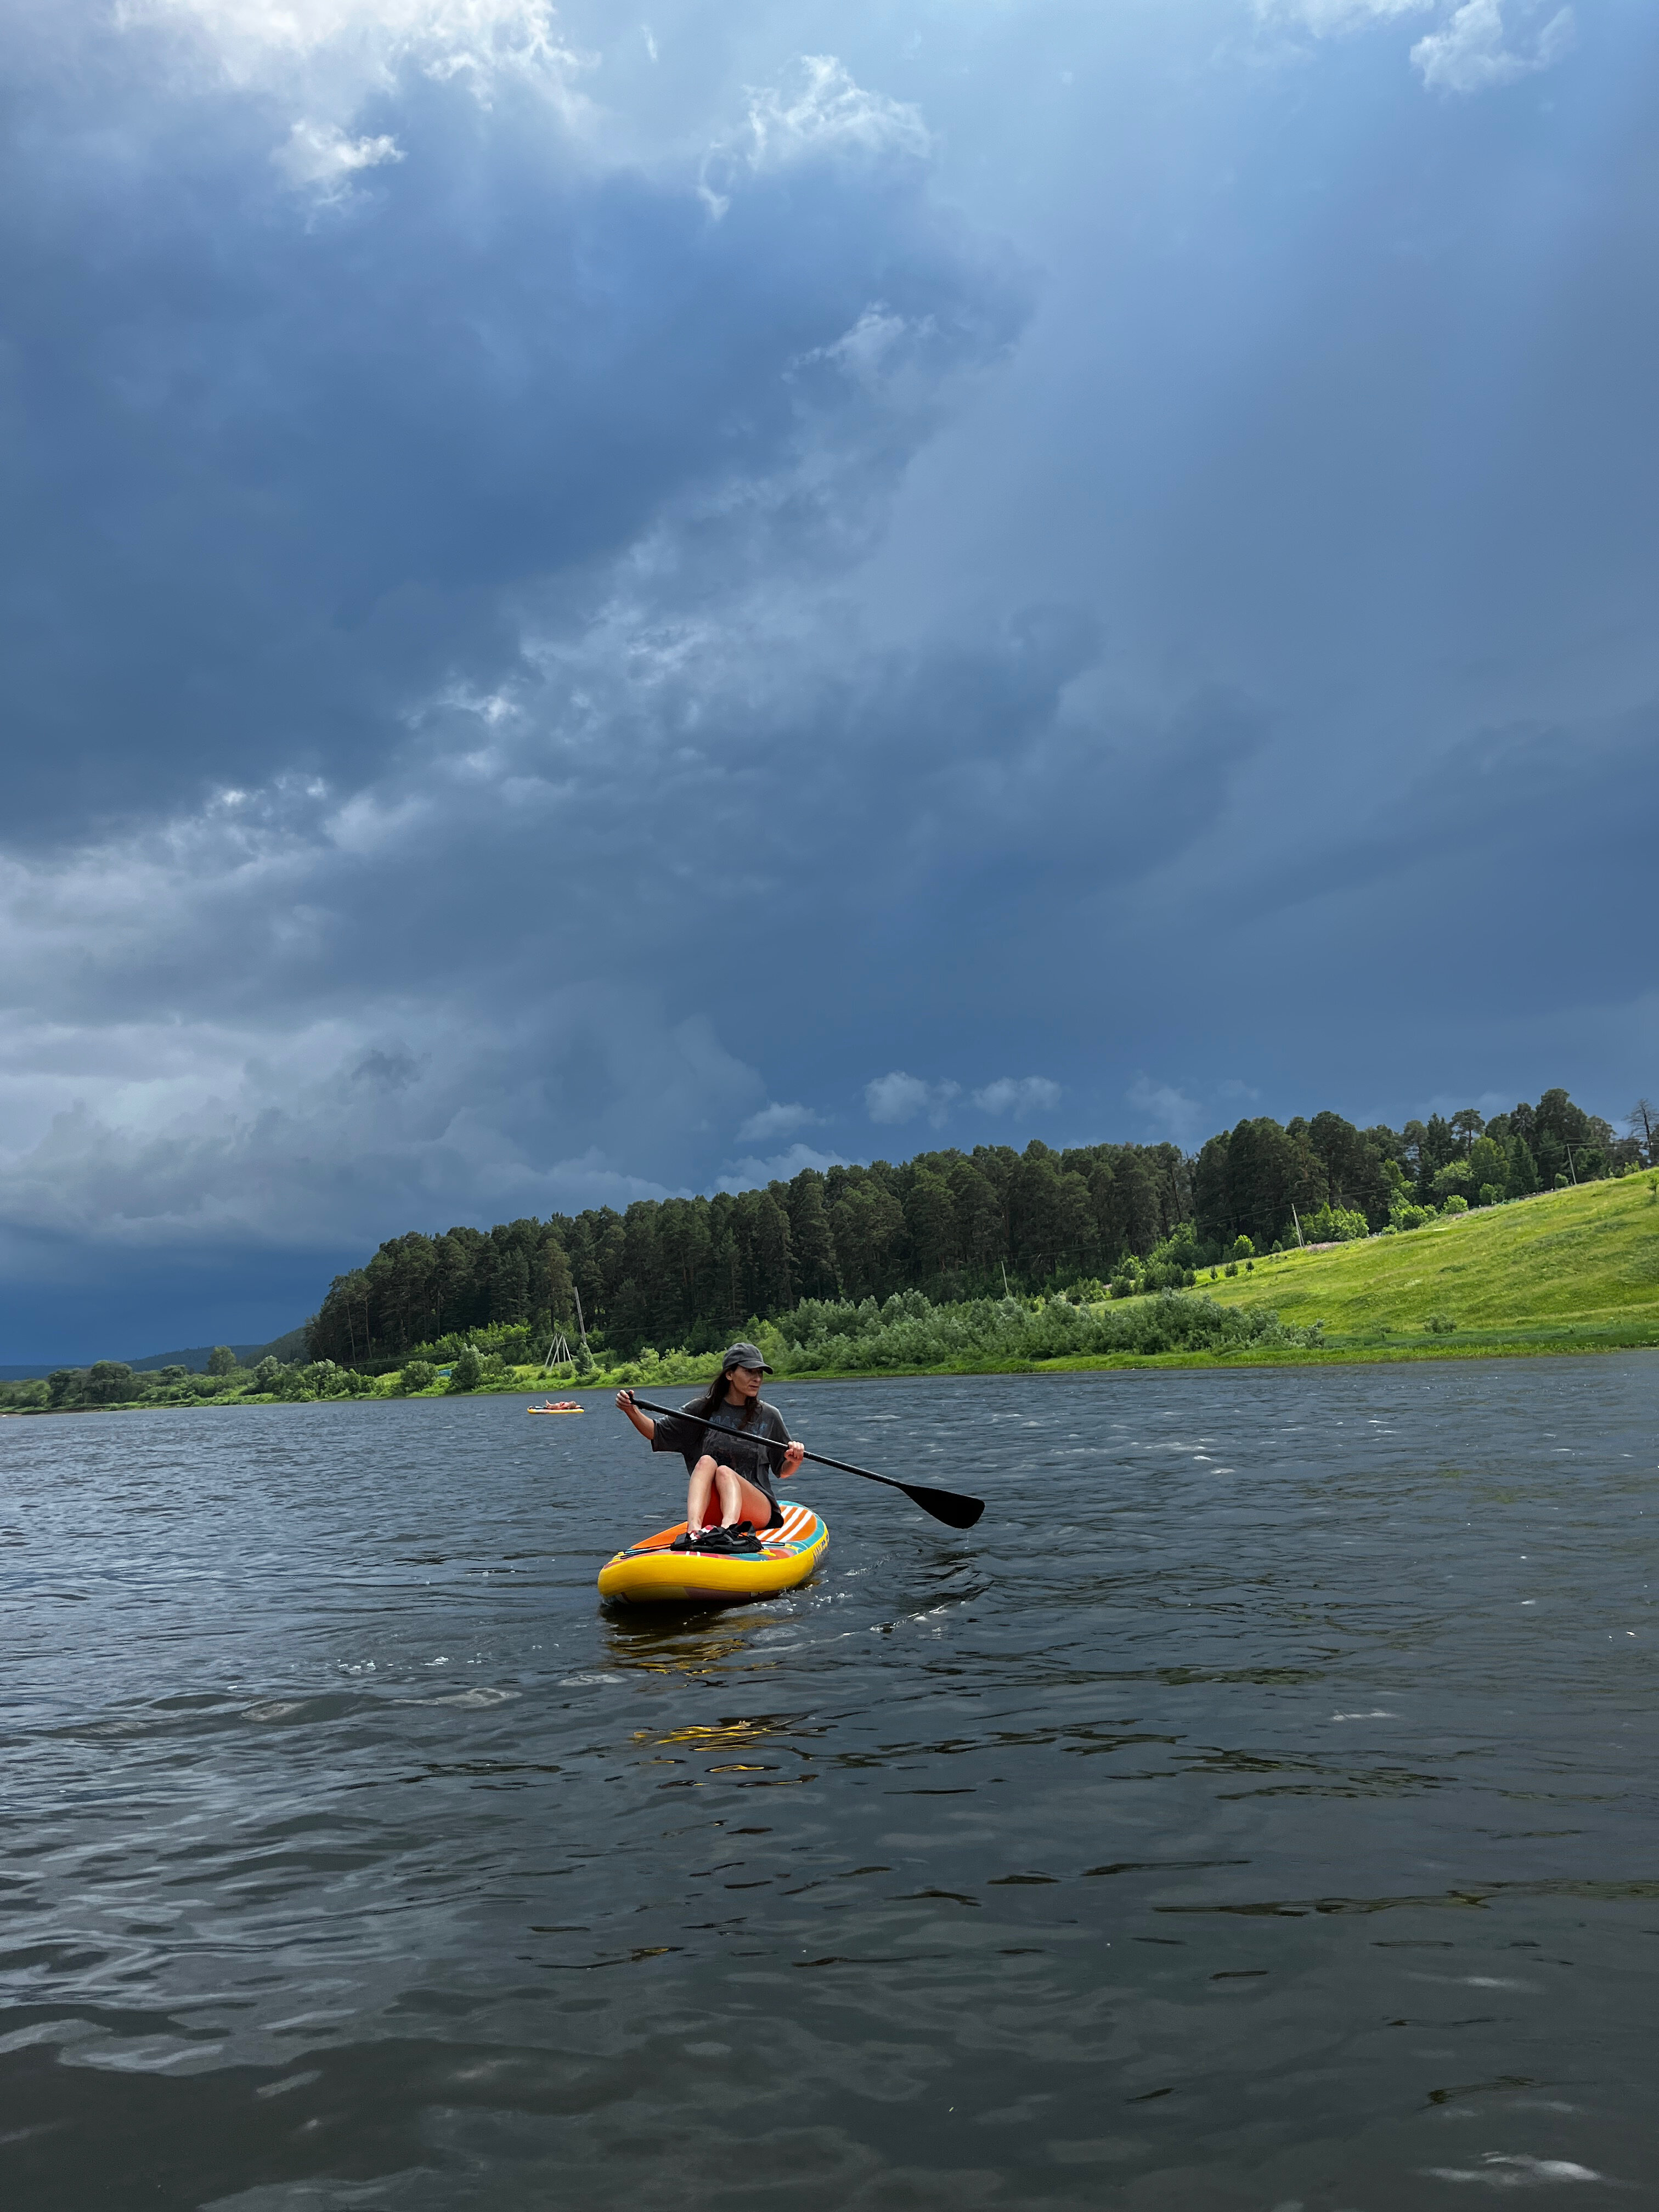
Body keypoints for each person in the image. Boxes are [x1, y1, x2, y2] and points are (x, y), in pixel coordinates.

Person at [616, 1343, 804, 1554]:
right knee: (706, 1461)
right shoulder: (702, 1409)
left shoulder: (769, 1415)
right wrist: (631, 1411)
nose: (757, 1378)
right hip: (713, 1508)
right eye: (749, 1372)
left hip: (757, 1508)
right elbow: (657, 1432)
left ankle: (728, 1531)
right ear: (730, 1375)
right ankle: (693, 1530)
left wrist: (794, 1460)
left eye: (760, 1373)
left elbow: (783, 1470)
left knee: (724, 1471)